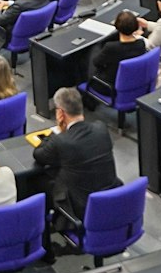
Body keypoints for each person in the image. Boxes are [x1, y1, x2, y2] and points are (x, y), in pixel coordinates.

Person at [33, 86, 119, 222]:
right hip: (112, 201)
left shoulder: (61, 140)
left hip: (83, 210)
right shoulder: (101, 128)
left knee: (38, 181)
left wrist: (57, 131)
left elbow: (38, 155)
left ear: (60, 113)